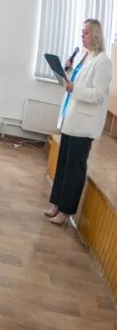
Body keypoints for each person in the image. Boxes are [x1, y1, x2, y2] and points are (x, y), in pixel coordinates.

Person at [46, 19, 113, 226]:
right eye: (81, 32)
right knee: (63, 165)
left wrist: (74, 89)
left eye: (85, 33)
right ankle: (57, 203)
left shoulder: (103, 62)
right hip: (71, 118)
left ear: (95, 35)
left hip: (84, 125)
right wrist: (64, 71)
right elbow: (71, 83)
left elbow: (98, 95)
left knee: (74, 169)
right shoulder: (86, 56)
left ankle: (66, 211)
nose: (81, 36)